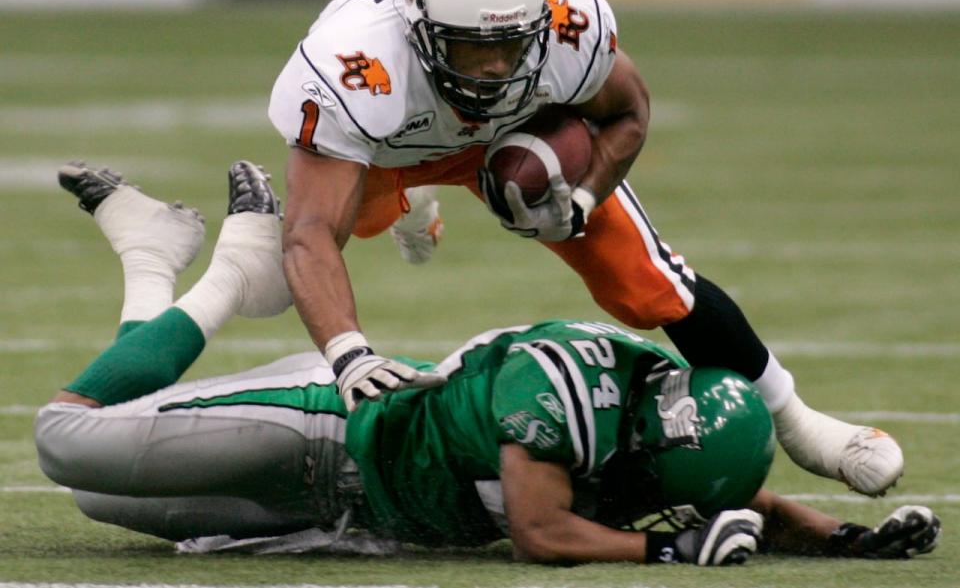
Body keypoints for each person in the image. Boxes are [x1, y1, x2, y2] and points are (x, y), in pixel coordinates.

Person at [266, 0, 902, 497]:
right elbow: (309, 233)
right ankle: (412, 201)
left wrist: (586, 195)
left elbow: (629, 111)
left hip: (515, 137)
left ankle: (797, 420)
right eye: (469, 47)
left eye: (509, 45)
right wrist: (349, 354)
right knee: (362, 221)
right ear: (419, 28)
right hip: (391, 145)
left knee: (649, 284)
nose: (491, 68)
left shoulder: (570, 24)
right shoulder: (356, 65)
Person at [35, 162, 940, 565]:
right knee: (67, 441)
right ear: (656, 428)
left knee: (96, 495)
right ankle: (237, 261)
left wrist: (849, 540)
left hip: (344, 509)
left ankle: (152, 255)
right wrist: (665, 547)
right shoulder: (566, 388)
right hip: (322, 428)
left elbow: (744, 498)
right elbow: (542, 535)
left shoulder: (666, 420)